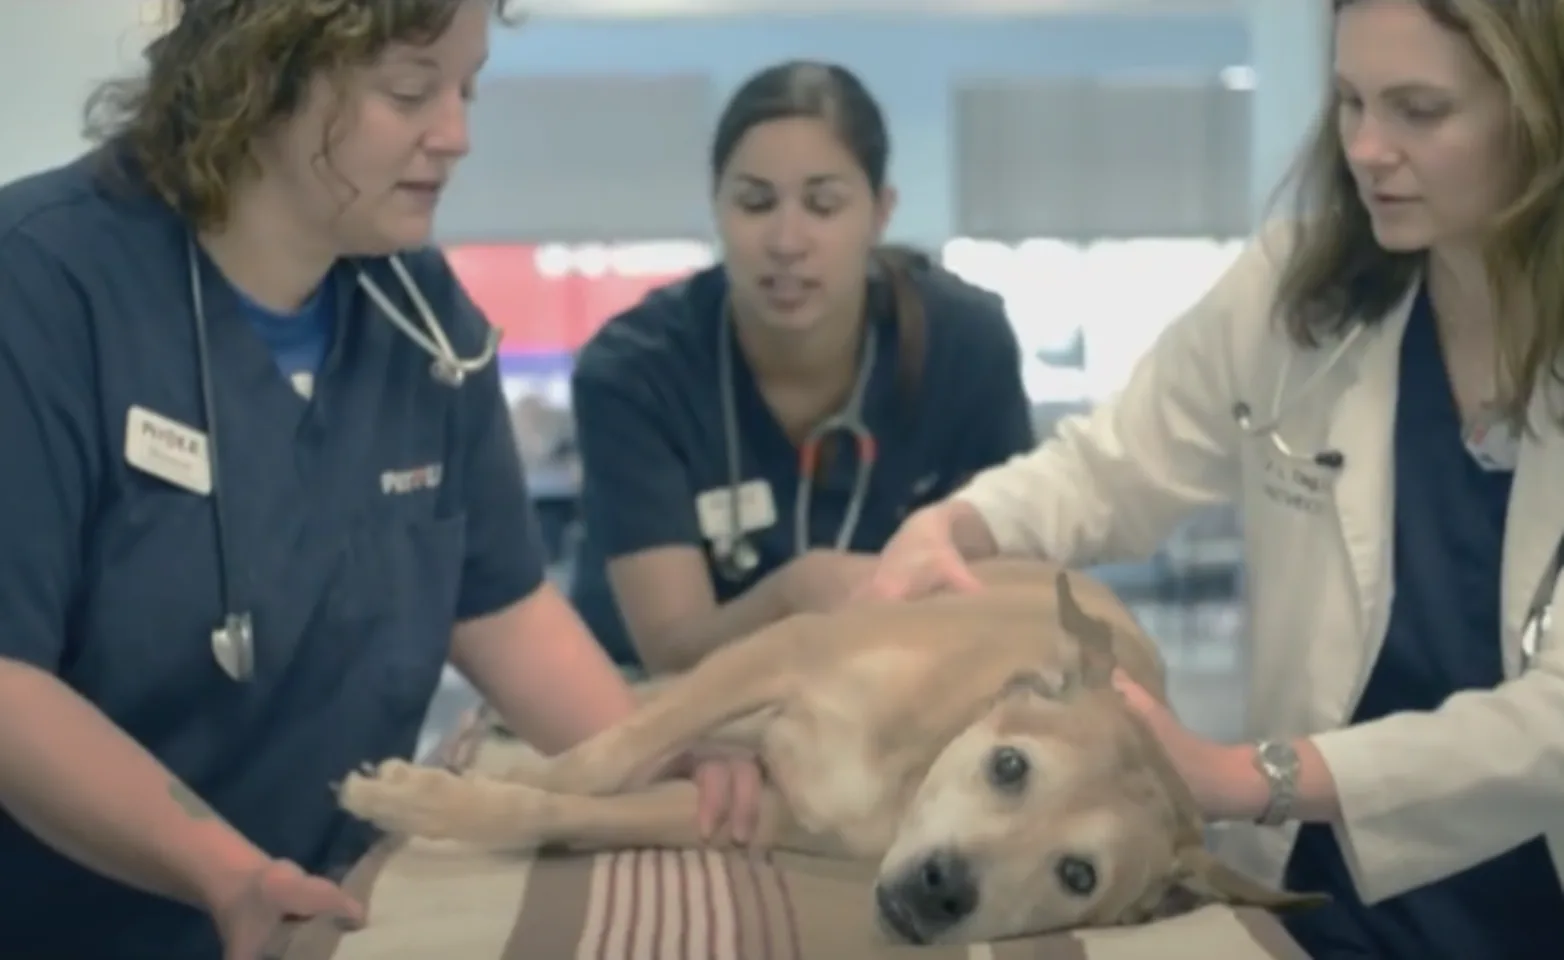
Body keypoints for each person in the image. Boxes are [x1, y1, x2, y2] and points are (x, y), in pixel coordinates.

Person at [0, 3, 760, 958]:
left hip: (333, 912)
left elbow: (502, 607)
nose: (456, 134)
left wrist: (655, 754)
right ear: (259, 74)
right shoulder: (42, 286)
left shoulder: (419, 315)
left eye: (468, 86)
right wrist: (223, 871)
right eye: (409, 92)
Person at [860, 1, 1564, 957]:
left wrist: (1248, 776)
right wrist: (961, 525)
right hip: (1316, 905)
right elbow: (1111, 468)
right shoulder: (1297, 296)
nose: (1365, 147)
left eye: (1419, 111)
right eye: (1351, 101)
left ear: (1541, 115)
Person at [566, 60, 1035, 675]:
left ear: (880, 212)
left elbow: (1006, 596)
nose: (787, 240)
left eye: (823, 204)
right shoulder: (636, 372)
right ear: (717, 208)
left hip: (889, 688)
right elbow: (673, 652)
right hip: (659, 701)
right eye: (756, 203)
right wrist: (793, 595)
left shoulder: (963, 346)